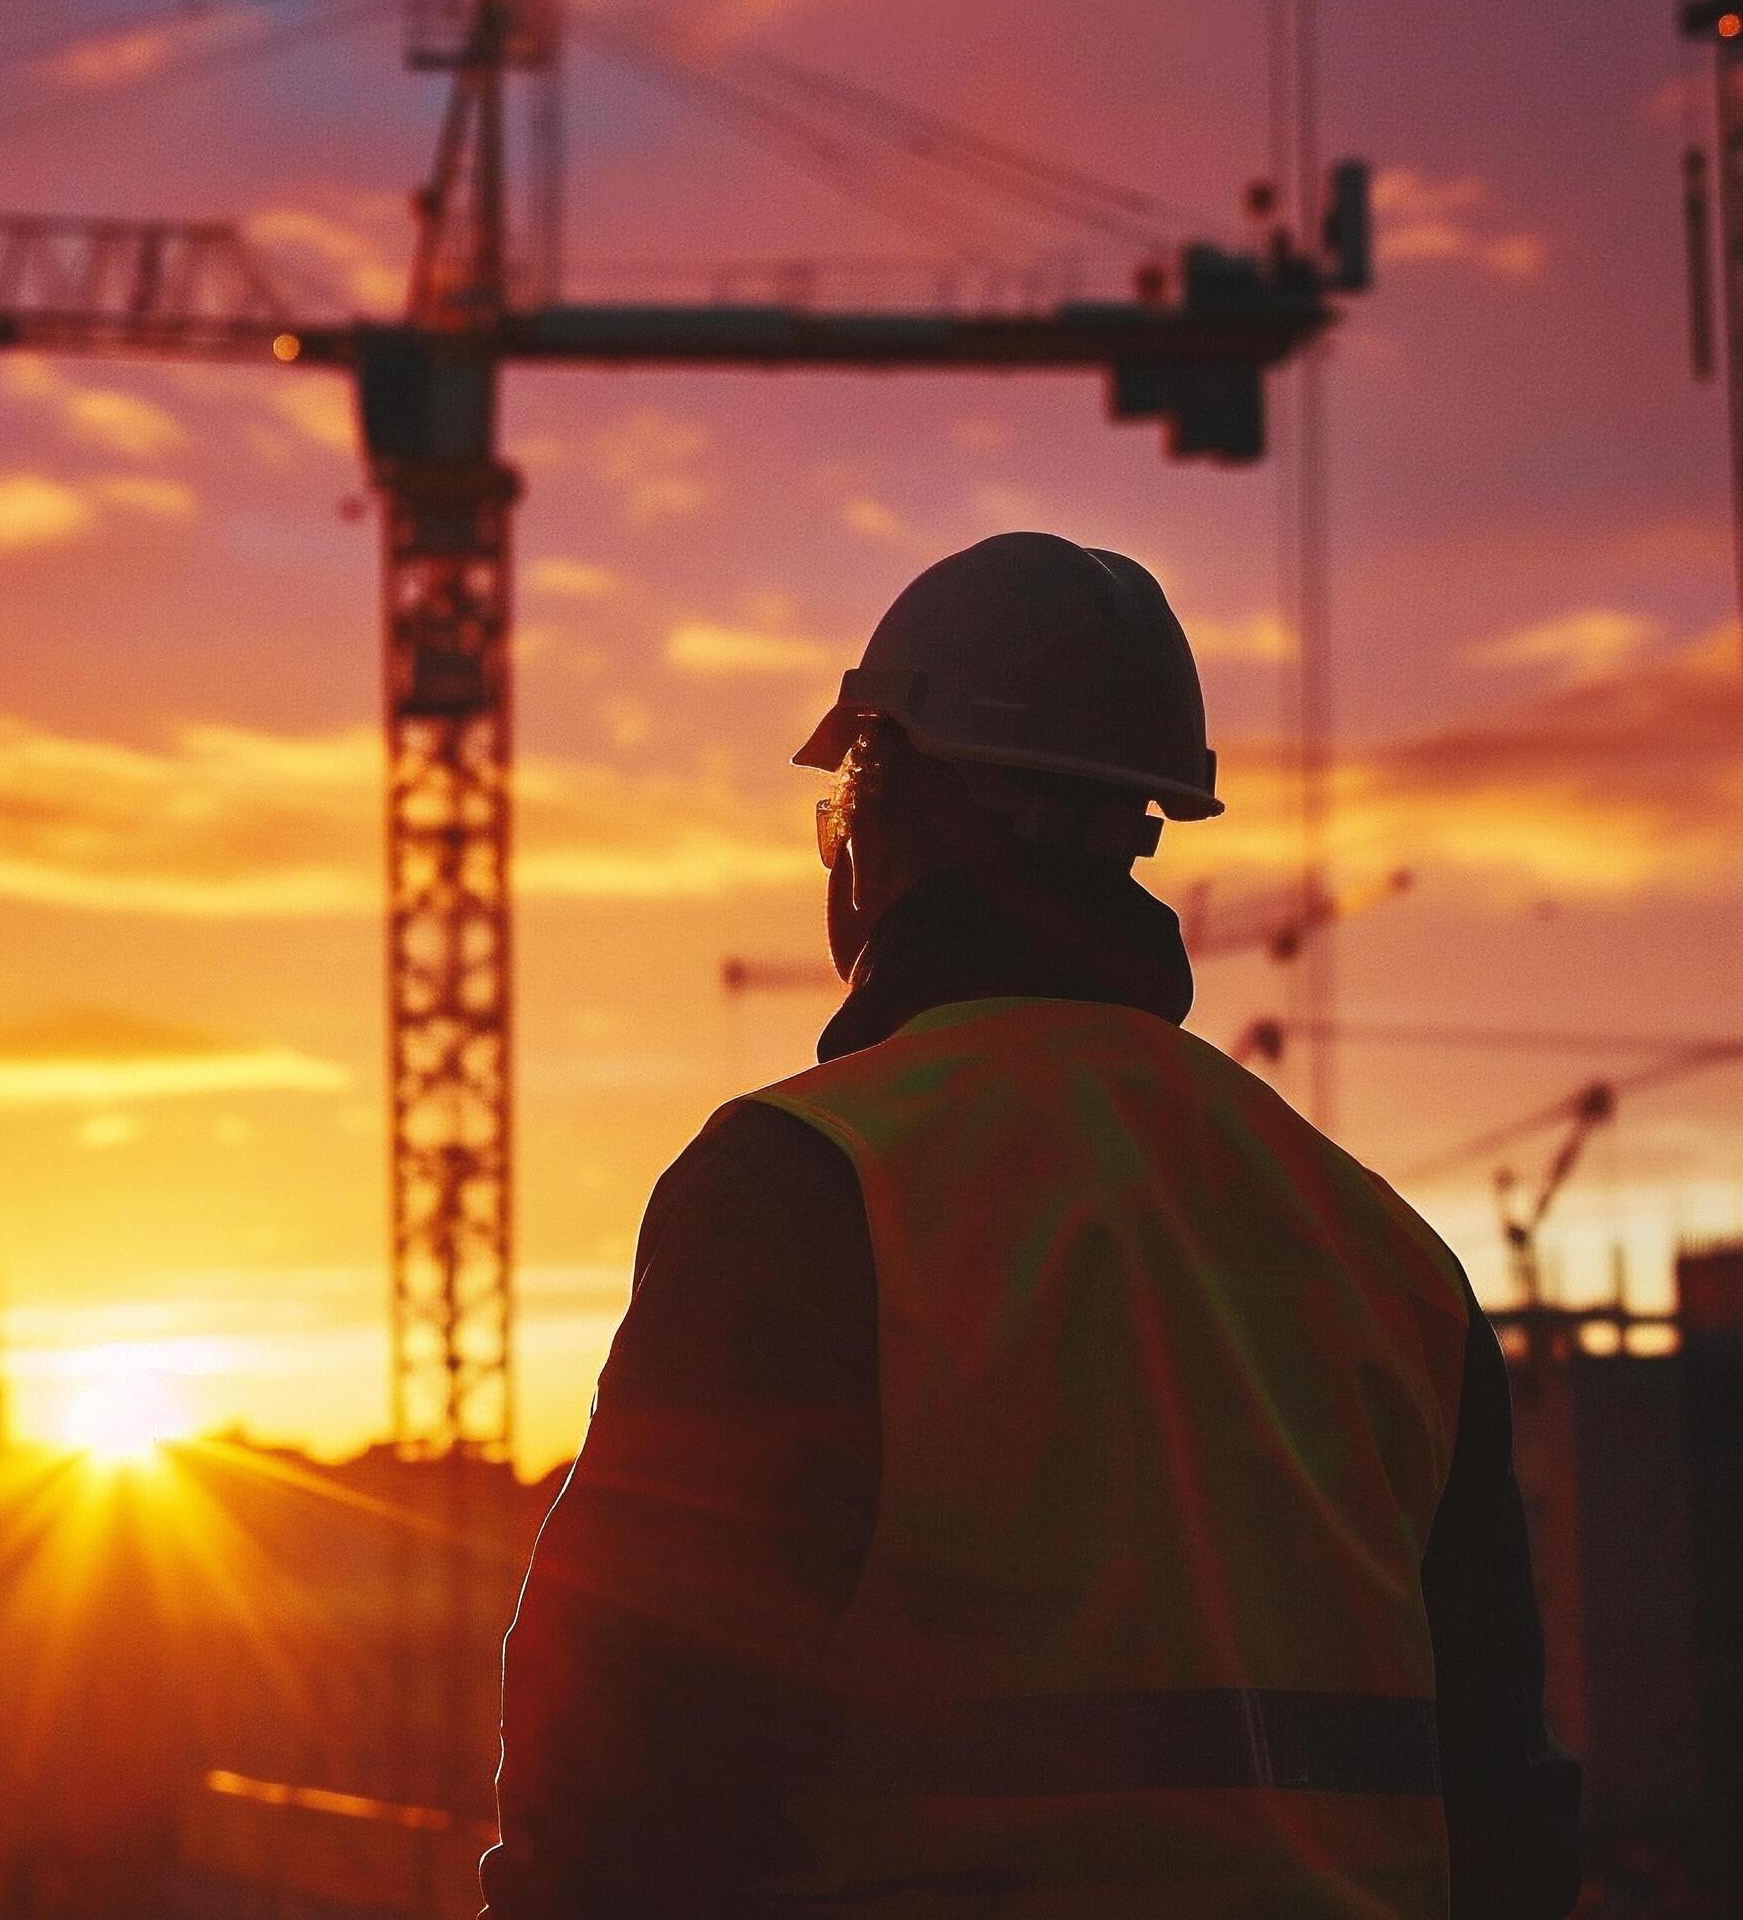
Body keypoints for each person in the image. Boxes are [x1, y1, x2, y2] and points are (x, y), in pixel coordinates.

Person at [484, 533, 1579, 1918]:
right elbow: (1501, 1797)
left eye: (843, 812)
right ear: (1136, 834)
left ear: (884, 815)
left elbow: (626, 1746)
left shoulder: (804, 1184)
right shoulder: (1378, 1246)